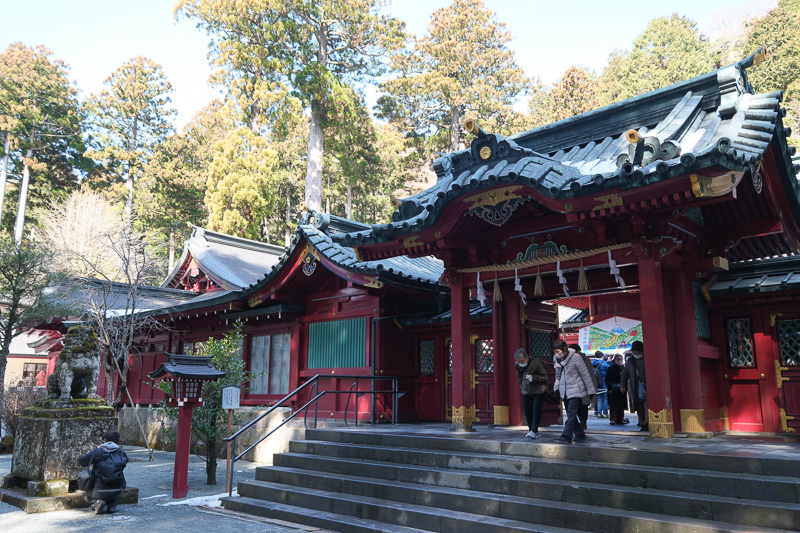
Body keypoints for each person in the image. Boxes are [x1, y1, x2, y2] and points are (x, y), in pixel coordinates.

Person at [553, 340, 596, 443]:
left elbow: (585, 374)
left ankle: (567, 435)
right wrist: (557, 388)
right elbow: (558, 375)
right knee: (570, 413)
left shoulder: (576, 357)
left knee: (571, 413)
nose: (557, 354)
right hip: (565, 390)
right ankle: (580, 433)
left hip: (576, 388)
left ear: (564, 349)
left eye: (558, 351)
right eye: (555, 352)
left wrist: (591, 391)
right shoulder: (556, 359)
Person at [78, 430, 129, 514]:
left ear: (105, 440)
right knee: (111, 490)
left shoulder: (98, 451)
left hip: (99, 489)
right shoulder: (121, 453)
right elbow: (124, 463)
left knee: (85, 495)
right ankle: (112, 504)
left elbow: (82, 461)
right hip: (118, 489)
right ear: (117, 441)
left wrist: (96, 451)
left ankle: (97, 502)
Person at [514, 348, 548, 439]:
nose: (521, 363)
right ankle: (531, 430)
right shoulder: (517, 365)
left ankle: (534, 430)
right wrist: (522, 386)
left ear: (527, 358)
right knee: (527, 409)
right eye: (519, 361)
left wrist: (533, 378)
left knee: (537, 408)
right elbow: (519, 377)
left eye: (522, 361)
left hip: (539, 389)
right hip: (527, 390)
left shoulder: (536, 363)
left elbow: (544, 376)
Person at [621, 340, 648, 432]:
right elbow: (625, 374)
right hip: (635, 386)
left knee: (647, 404)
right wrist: (622, 385)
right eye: (634, 352)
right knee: (639, 405)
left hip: (647, 385)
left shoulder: (647, 359)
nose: (636, 354)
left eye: (638, 352)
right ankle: (642, 422)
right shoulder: (630, 361)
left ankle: (647, 422)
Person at [605, 353, 627, 425]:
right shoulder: (610, 368)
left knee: (621, 405)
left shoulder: (623, 368)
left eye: (621, 360)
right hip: (613, 389)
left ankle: (620, 419)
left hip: (621, 389)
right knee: (613, 405)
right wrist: (609, 388)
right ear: (614, 360)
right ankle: (613, 419)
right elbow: (607, 379)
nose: (619, 361)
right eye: (618, 360)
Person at [592, 351, 610, 418]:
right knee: (605, 398)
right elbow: (610, 367)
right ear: (602, 356)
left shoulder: (592, 363)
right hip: (604, 383)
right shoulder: (604, 364)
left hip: (597, 384)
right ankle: (605, 413)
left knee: (599, 398)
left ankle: (599, 413)